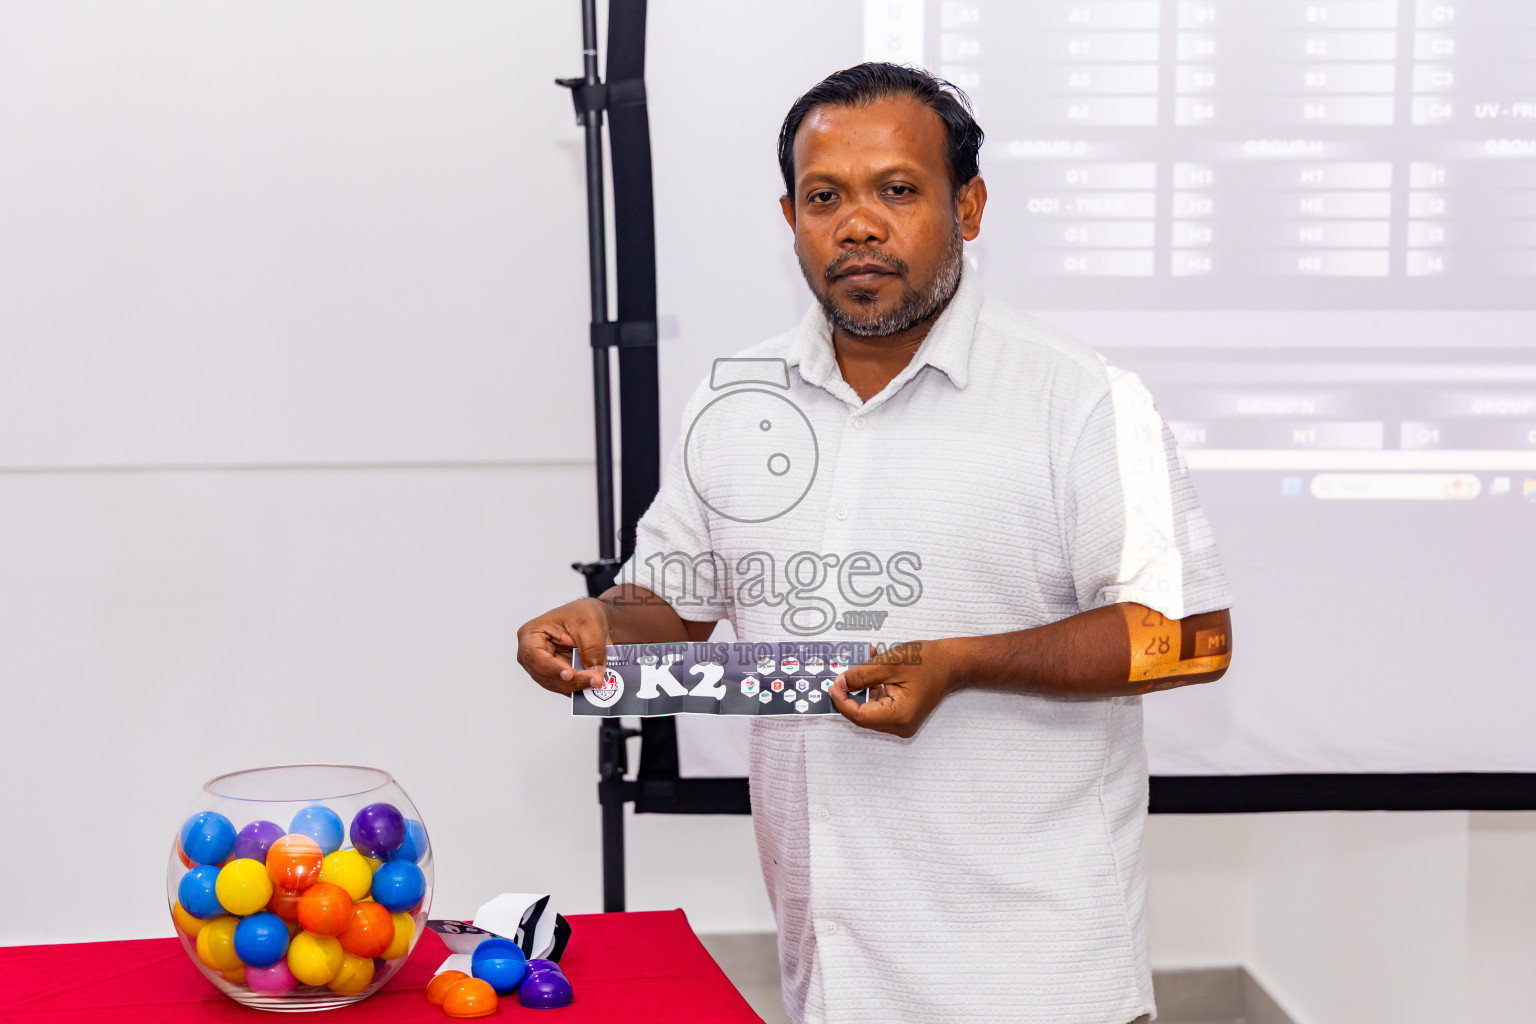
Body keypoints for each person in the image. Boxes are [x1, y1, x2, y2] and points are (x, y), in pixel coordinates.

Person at [518, 63, 1233, 1024]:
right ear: (790, 220)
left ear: (968, 207)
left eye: (896, 190)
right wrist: (598, 624)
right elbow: (673, 605)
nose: (857, 225)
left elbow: (1192, 637)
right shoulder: (737, 400)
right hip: (832, 982)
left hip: (1040, 984)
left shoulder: (1084, 400)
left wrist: (964, 662)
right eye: (825, 198)